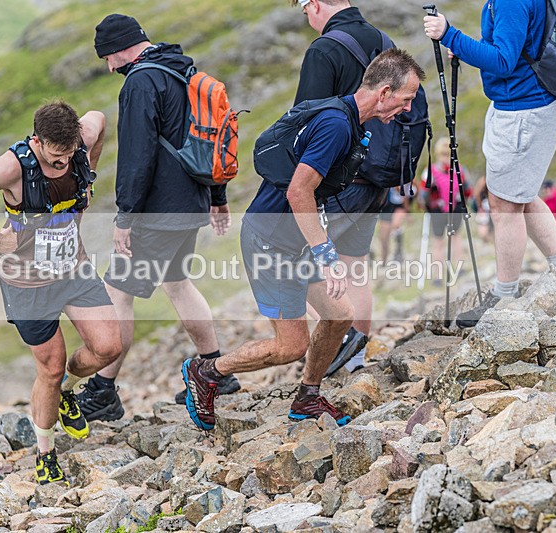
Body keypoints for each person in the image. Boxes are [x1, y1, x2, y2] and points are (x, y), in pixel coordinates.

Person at [181, 49, 425, 431]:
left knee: (340, 315)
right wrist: (326, 255)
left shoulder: (349, 120)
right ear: (384, 93)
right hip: (270, 239)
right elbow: (299, 191)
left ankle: (308, 395)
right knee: (290, 346)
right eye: (406, 99)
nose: (408, 109)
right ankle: (207, 371)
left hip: (295, 240)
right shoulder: (337, 125)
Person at [0, 101, 122, 485]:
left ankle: (68, 392)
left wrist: (88, 178)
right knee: (51, 367)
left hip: (73, 267)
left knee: (109, 347)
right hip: (27, 282)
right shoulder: (12, 168)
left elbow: (99, 120)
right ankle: (45, 452)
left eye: (69, 155)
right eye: (55, 158)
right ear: (37, 141)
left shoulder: (80, 139)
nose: (63, 164)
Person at [79, 14, 239, 421]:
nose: (109, 68)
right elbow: (209, 137)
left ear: (120, 49)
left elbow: (138, 155)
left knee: (117, 291)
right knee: (178, 283)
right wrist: (216, 196)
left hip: (157, 212)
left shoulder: (141, 82)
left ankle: (103, 391)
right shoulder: (182, 70)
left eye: (108, 58)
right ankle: (216, 372)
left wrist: (125, 216)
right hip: (190, 204)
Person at [424, 0, 556, 329]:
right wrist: (466, 47)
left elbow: (503, 60)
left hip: (523, 110)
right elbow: (510, 47)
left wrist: (450, 35)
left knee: (504, 203)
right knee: (520, 194)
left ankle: (504, 297)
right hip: (526, 104)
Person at [292, 0, 398, 376]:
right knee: (355, 266)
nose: (307, 17)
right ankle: (354, 361)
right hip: (379, 176)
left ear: (315, 4)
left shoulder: (325, 49)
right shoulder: (384, 40)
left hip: (339, 179)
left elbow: (303, 119)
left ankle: (335, 349)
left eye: (304, 8)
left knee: (294, 263)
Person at [418, 137, 471, 286]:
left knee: (438, 242)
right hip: (456, 207)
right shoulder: (460, 169)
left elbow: (423, 194)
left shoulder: (430, 170)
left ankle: (438, 276)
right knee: (456, 237)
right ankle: (459, 269)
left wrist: (426, 205)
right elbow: (467, 190)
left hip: (437, 209)